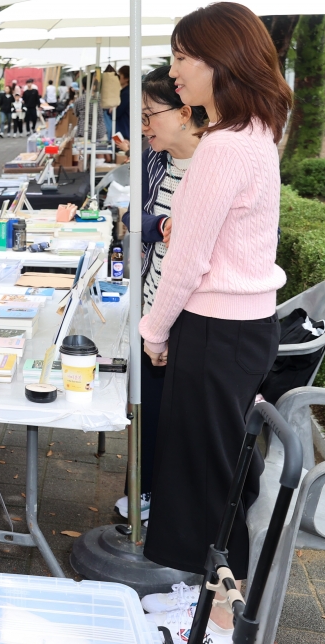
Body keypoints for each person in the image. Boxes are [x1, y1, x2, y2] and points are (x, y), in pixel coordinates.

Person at [137, 3, 289, 642]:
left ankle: (209, 612)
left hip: (215, 326)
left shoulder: (225, 147)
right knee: (219, 471)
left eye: (180, 57)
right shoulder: (255, 132)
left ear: (217, 60)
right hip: (242, 327)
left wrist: (153, 328)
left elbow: (186, 259)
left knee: (203, 475)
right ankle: (207, 600)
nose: (174, 73)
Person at [113, 66, 206, 525]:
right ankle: (144, 491)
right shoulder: (157, 162)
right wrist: (162, 226)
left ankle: (164, 507)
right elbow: (136, 219)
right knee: (147, 410)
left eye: (150, 114)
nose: (143, 126)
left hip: (188, 318)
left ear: (186, 113)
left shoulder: (214, 165)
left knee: (176, 421)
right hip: (153, 305)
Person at [114, 64, 132, 145]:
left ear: (126, 78)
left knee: (121, 150)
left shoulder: (126, 94)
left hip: (123, 129)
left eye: (119, 75)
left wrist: (112, 109)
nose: (117, 77)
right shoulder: (125, 92)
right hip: (124, 127)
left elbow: (117, 113)